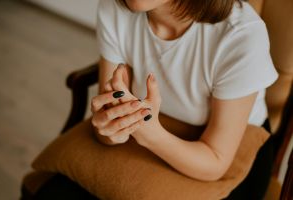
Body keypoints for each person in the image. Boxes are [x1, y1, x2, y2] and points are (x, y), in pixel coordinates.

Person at [33, 0, 278, 199]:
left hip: (226, 152)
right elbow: (109, 134)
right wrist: (111, 128)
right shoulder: (114, 8)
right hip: (150, 127)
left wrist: (150, 134)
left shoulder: (242, 35)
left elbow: (215, 161)